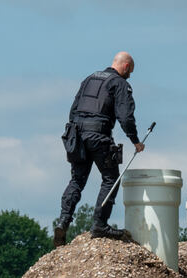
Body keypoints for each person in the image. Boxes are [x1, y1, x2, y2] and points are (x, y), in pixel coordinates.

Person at [55, 51, 146, 245]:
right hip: (98, 136)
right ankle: (100, 224)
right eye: (130, 72)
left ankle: (63, 221)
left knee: (77, 179)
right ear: (126, 67)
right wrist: (135, 141)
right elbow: (125, 117)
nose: (129, 75)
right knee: (110, 178)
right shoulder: (120, 83)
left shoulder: (89, 79)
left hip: (76, 135)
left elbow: (73, 110)